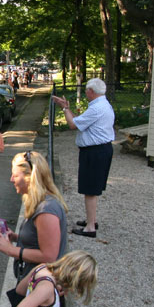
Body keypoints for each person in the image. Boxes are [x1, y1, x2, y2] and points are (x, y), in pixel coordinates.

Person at [0, 152, 68, 288]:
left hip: (40, 289)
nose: (11, 179)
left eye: (16, 175)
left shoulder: (46, 210)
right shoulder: (40, 203)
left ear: (31, 178)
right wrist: (16, 237)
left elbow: (49, 256)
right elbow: (40, 240)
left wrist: (11, 250)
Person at [51, 78, 115, 238]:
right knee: (92, 189)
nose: (85, 92)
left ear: (91, 91)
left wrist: (64, 109)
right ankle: (91, 220)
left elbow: (72, 125)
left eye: (86, 90)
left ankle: (90, 227)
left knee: (90, 189)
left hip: (94, 152)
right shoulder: (102, 104)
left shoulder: (97, 108)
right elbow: (79, 122)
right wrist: (67, 108)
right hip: (100, 150)